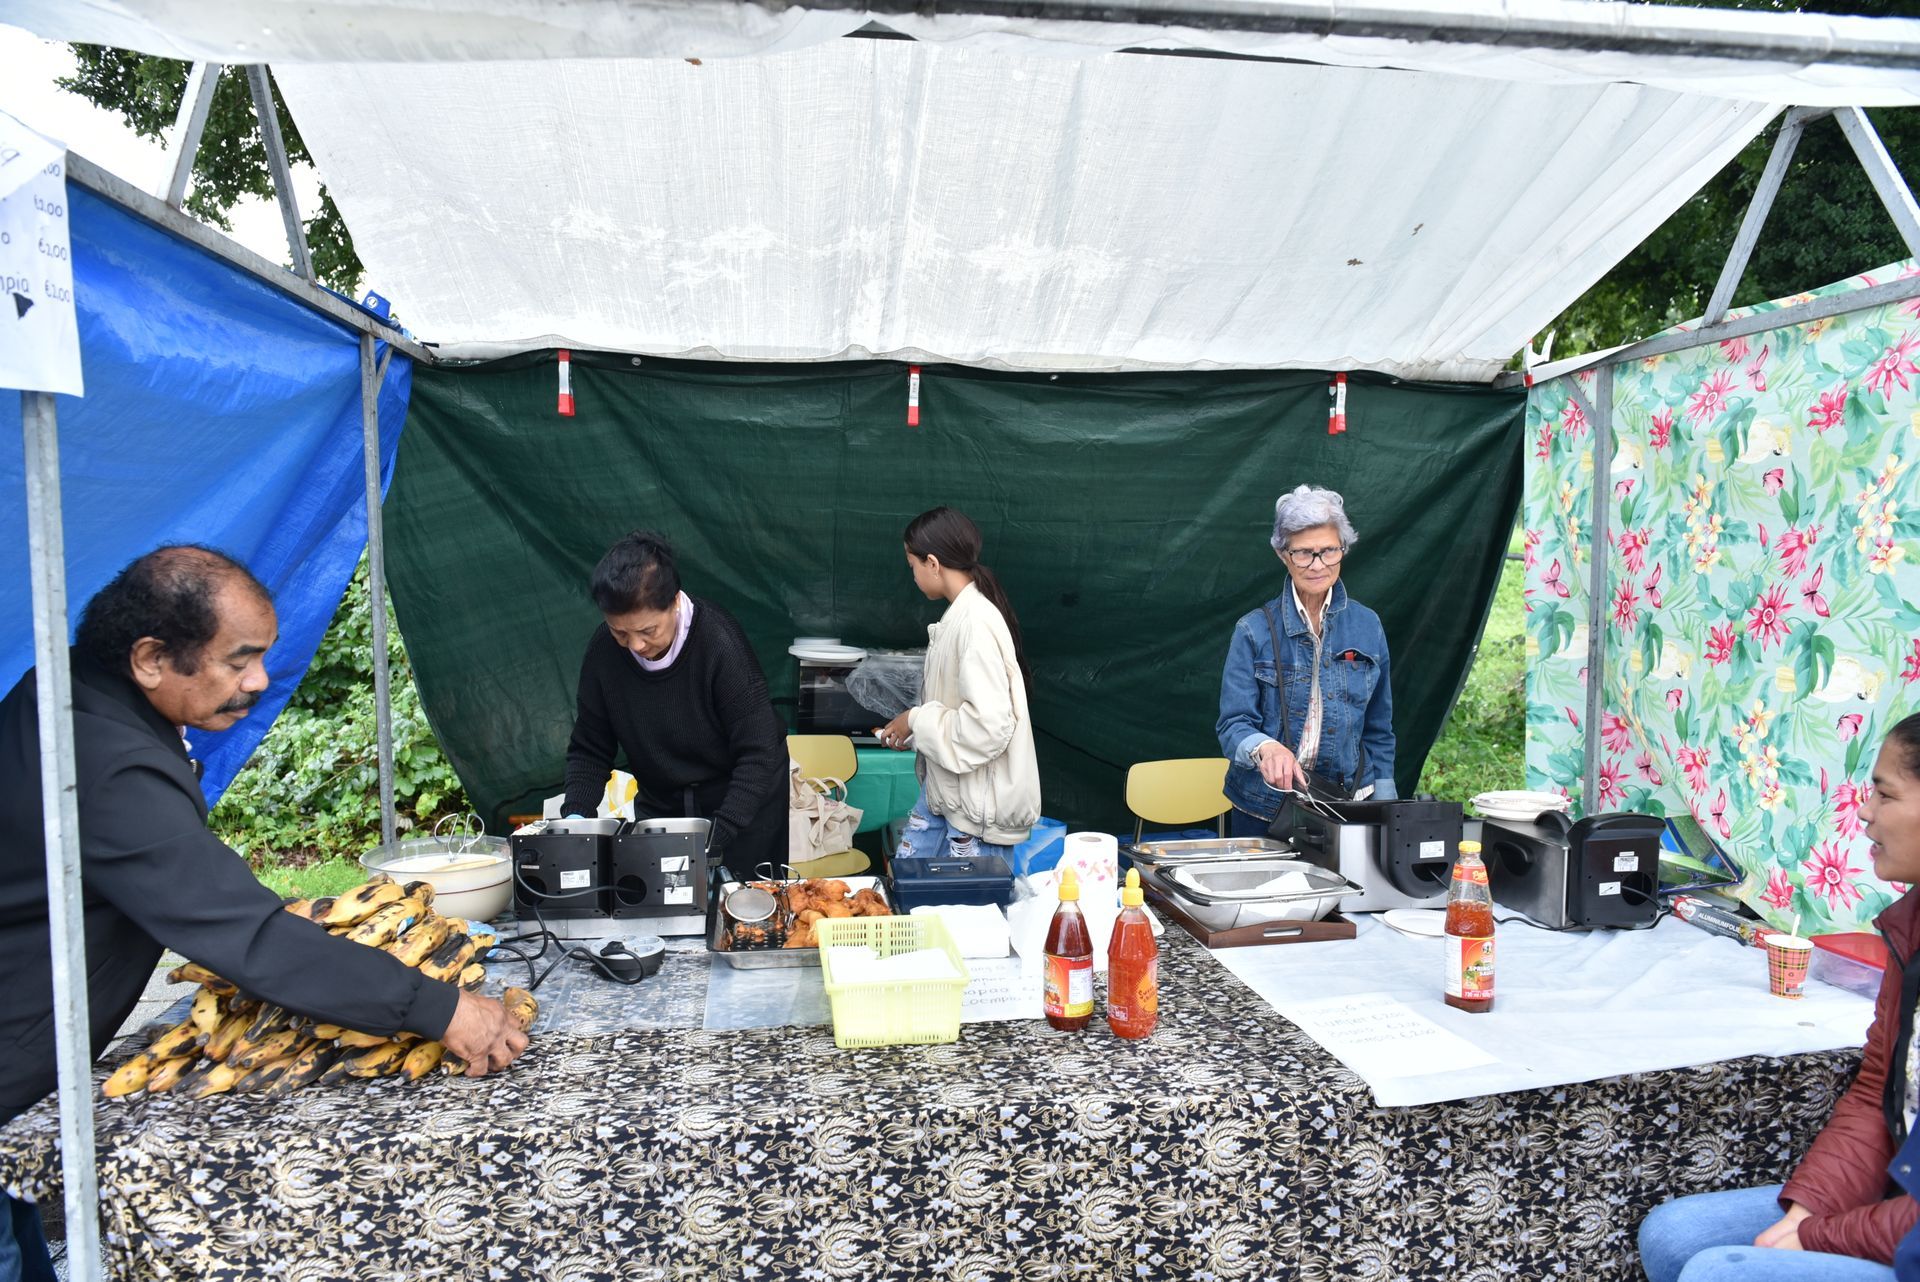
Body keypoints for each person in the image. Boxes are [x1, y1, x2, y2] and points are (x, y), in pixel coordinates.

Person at [0, 547, 527, 1280]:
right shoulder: (99, 756)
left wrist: (277, 911)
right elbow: (242, 937)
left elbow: (176, 873)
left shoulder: (78, 695)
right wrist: (438, 1008)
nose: (257, 681)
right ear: (151, 657)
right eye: (238, 660)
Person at [1638, 713, 1920, 1281]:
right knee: (1675, 1237)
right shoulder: (1910, 927)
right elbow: (1876, 1093)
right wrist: (1810, 1207)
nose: (1864, 812)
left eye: (1885, 794)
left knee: (1723, 1272)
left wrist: (1820, 1237)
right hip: (1903, 1197)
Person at [561, 531, 786, 880]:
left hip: (741, 803)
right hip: (662, 802)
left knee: (743, 911)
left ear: (675, 602)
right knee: (660, 905)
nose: (635, 644)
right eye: (620, 632)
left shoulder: (718, 642)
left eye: (648, 631)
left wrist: (718, 835)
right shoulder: (604, 652)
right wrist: (576, 818)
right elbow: (590, 747)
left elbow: (758, 752)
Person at [1216, 484, 1396, 838]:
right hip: (1264, 807)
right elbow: (1232, 725)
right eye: (1303, 553)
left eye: (1328, 551)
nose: (1317, 565)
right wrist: (1265, 747)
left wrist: (1386, 804)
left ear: (1343, 549)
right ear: (1283, 554)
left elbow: (1379, 727)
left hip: (1347, 804)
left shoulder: (1367, 625)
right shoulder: (1253, 630)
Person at [873, 507, 1040, 862]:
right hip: (949, 797)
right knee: (912, 900)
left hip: (976, 815)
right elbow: (958, 713)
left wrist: (917, 719)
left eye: (912, 566)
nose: (913, 576)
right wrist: (919, 735)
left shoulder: (975, 624)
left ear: (932, 563)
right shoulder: (961, 617)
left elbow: (988, 727)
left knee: (968, 916)